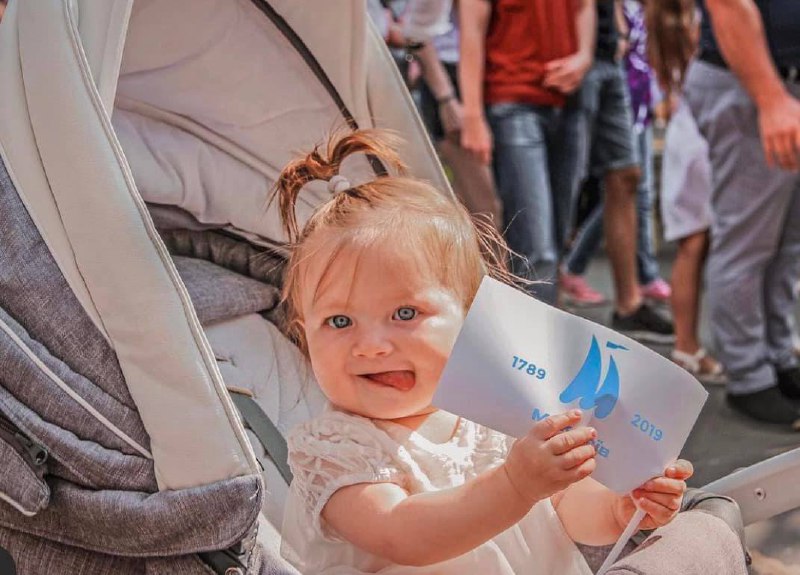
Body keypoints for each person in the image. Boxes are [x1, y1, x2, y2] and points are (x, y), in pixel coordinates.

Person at [273, 130, 746, 573]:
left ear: (471, 314)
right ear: (303, 332)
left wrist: (623, 508)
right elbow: (404, 534)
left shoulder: (501, 408)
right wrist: (516, 485)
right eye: (340, 322)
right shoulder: (334, 450)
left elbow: (566, 509)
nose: (373, 346)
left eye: (404, 314)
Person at [684, 0, 800, 425]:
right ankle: (749, 376)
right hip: (754, 84)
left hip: (780, 84)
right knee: (748, 244)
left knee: (786, 243)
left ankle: (775, 356)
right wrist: (771, 98)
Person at [458, 0, 594, 305]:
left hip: (569, 103)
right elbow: (471, 29)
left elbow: (585, 6)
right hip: (512, 100)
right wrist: (472, 115)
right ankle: (535, 348)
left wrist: (584, 56)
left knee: (554, 245)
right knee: (536, 248)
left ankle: (539, 336)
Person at [568, 0, 674, 342]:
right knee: (568, 187)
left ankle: (630, 300)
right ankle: (557, 287)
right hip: (579, 66)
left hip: (616, 73)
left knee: (630, 181)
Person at [646, 0, 725, 383]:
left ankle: (688, 344)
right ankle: (688, 345)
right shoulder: (693, 22)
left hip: (688, 133)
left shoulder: (661, 18)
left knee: (694, 244)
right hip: (700, 135)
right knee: (696, 244)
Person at [414, 8, 503, 227]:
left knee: (480, 204)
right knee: (484, 208)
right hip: (449, 77)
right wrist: (446, 98)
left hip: (490, 75)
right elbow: (417, 32)